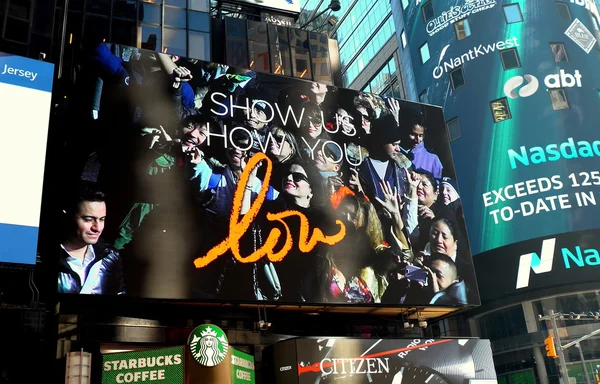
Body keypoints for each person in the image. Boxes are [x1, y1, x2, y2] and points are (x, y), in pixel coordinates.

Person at [58, 183, 125, 295]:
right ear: (68, 216)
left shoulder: (110, 256)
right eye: (89, 219)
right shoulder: (41, 257)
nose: (97, 228)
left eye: (102, 219)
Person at [401, 109, 443, 180]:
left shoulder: (433, 159)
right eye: (413, 135)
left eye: (420, 136)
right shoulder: (396, 151)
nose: (417, 140)